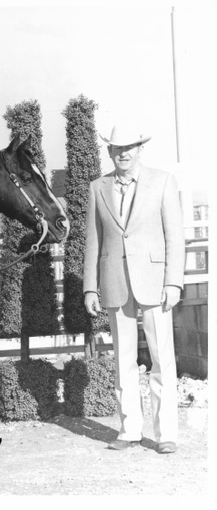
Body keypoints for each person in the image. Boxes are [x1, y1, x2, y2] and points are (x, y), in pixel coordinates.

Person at [83, 122, 185, 454]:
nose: (123, 153)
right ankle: (129, 430)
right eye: (116, 148)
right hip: (115, 281)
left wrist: (173, 282)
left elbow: (175, 237)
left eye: (129, 147)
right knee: (122, 359)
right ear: (109, 151)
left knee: (161, 358)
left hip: (156, 283)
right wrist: (89, 288)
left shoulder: (163, 181)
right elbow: (93, 243)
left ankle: (166, 433)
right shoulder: (98, 187)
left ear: (140, 149)